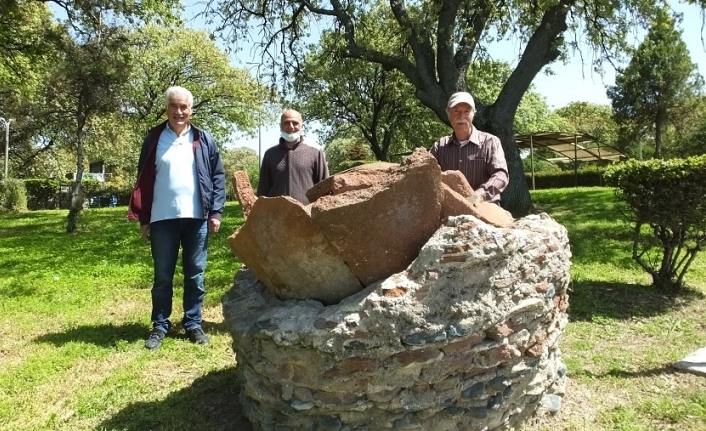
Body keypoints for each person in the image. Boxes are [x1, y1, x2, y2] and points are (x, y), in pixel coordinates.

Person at [128, 86, 226, 350]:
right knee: (163, 276)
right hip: (162, 219)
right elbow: (144, 180)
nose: (179, 111)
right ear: (166, 109)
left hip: (197, 220)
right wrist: (144, 219)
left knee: (195, 275)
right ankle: (160, 325)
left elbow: (218, 176)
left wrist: (215, 212)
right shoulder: (154, 138)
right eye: (174, 106)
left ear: (190, 110)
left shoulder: (204, 139)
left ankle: (193, 323)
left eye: (184, 107)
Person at [430, 91, 509, 204]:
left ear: (473, 113)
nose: (461, 116)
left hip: (486, 207)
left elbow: (501, 175)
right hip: (451, 208)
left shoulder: (490, 142)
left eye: (466, 111)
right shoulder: (439, 146)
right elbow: (427, 176)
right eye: (456, 111)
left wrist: (479, 195)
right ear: (448, 114)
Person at [256, 109, 329, 205]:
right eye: (286, 123)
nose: (291, 127)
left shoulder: (315, 153)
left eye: (295, 123)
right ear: (280, 127)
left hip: (307, 215)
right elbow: (263, 190)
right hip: (277, 216)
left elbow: (325, 188)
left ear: (302, 127)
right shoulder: (270, 154)